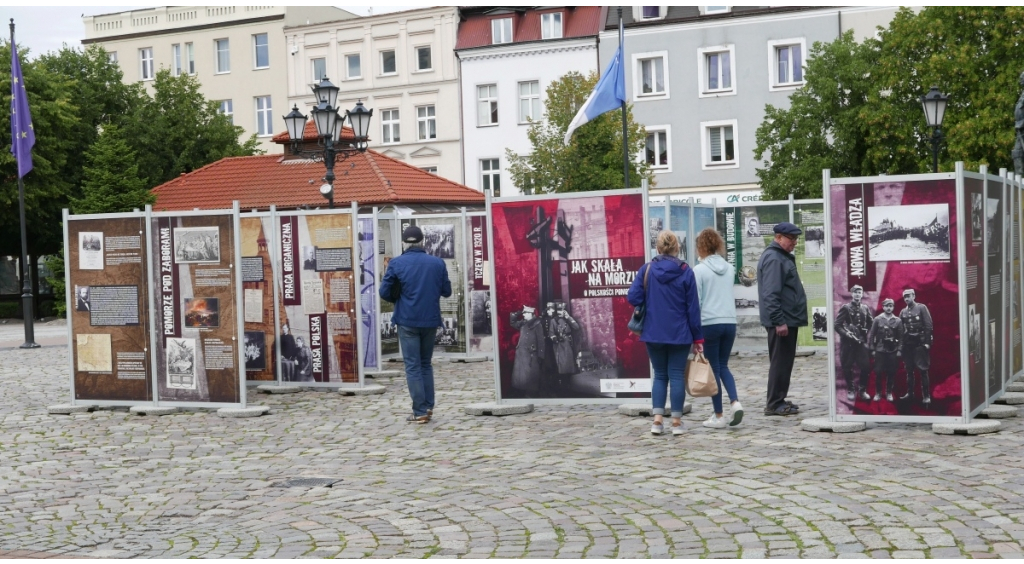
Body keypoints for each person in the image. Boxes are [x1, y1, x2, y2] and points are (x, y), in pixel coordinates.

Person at [627, 230, 704, 436]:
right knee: (677, 375)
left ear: (658, 248)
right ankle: (677, 423)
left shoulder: (647, 269)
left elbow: (633, 296)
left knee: (660, 376)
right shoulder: (686, 271)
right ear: (677, 247)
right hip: (680, 333)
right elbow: (693, 308)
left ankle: (657, 421)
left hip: (653, 331)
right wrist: (698, 337)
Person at [379, 225, 452, 423]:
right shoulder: (437, 263)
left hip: (407, 319)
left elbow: (384, 292)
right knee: (425, 364)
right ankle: (428, 407)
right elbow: (447, 291)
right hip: (430, 319)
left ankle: (419, 411)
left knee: (412, 366)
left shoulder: (397, 263)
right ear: (423, 241)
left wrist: (399, 297)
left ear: (404, 242)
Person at [693, 228, 743, 429]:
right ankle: (735, 401)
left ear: (701, 247)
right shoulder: (729, 268)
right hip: (729, 322)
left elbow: (697, 301)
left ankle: (719, 415)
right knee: (723, 365)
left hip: (709, 323)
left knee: (713, 370)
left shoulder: (699, 270)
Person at [757, 222, 808, 416]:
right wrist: (779, 321)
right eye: (791, 239)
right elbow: (771, 294)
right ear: (778, 238)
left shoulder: (780, 256)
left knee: (784, 362)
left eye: (796, 239)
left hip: (786, 319)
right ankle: (774, 403)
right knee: (780, 362)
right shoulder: (775, 258)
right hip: (782, 321)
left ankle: (779, 398)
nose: (794, 242)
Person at [835, 285, 873, 401]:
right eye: (855, 292)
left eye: (859, 292)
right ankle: (851, 389)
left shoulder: (865, 308)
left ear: (862, 294)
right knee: (847, 366)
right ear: (852, 294)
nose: (857, 294)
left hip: (860, 341)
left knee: (865, 367)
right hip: (848, 343)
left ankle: (862, 390)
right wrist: (846, 334)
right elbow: (837, 325)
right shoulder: (846, 308)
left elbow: (871, 321)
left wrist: (865, 330)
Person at [899, 288, 933, 404]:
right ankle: (910, 393)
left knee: (923, 370)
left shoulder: (921, 308)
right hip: (908, 344)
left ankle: (926, 396)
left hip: (920, 343)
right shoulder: (903, 312)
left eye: (909, 296)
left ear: (914, 296)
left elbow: (928, 325)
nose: (907, 298)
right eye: (905, 297)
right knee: (909, 370)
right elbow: (900, 328)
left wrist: (927, 342)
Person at [867, 298, 903, 402]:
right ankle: (878, 393)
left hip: (892, 350)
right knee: (878, 372)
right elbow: (872, 334)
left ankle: (888, 393)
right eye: (887, 306)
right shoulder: (877, 319)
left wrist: (899, 350)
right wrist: (872, 349)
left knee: (891, 372)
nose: (889, 308)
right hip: (880, 350)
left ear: (893, 307)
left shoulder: (898, 320)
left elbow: (901, 337)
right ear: (883, 307)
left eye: (891, 306)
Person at [510, 305, 545, 396]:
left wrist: (541, 355)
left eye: (525, 313)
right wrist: (517, 313)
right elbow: (513, 323)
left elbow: (541, 341)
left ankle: (530, 395)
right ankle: (522, 393)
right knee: (521, 377)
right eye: (524, 313)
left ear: (531, 314)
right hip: (521, 354)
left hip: (531, 354)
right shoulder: (523, 323)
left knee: (530, 377)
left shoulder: (537, 324)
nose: (524, 315)